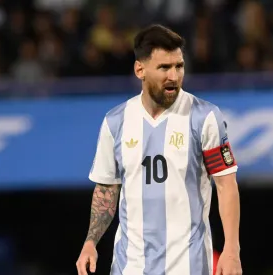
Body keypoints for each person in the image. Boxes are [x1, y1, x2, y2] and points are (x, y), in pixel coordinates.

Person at [76, 24, 242, 275]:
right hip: (129, 266)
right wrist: (90, 242)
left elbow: (226, 185)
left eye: (179, 66)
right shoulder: (116, 122)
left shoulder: (205, 117)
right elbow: (107, 188)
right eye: (164, 67)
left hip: (188, 265)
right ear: (140, 69)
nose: (174, 76)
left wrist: (231, 250)